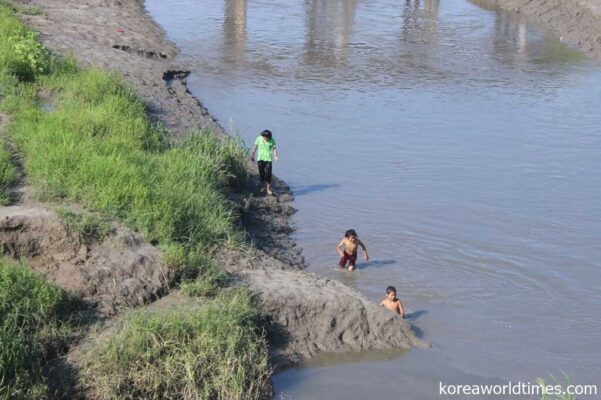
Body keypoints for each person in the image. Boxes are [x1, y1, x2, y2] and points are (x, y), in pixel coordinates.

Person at [250, 129, 278, 195]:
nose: (265, 139)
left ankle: (268, 189)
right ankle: (264, 187)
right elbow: (255, 147)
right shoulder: (258, 139)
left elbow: (274, 149)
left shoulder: (272, 140)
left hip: (268, 159)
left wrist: (276, 156)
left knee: (268, 174)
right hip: (260, 158)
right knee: (262, 173)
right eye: (264, 137)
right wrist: (252, 155)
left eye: (267, 138)